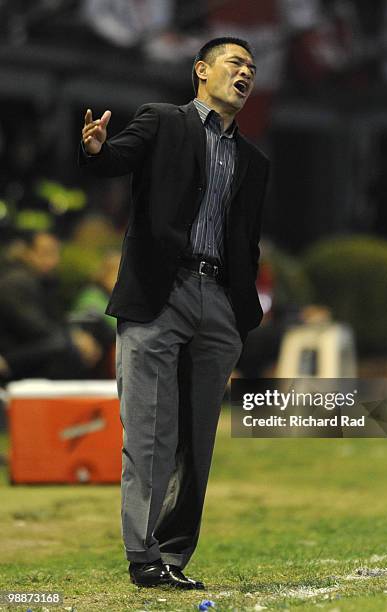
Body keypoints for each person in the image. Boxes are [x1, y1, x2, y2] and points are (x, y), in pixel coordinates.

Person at [79, 37, 270, 589]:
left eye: (252, 69)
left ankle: (175, 556)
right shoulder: (164, 121)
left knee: (197, 440)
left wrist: (242, 314)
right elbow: (115, 159)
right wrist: (95, 149)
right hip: (161, 293)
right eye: (236, 63)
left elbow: (248, 243)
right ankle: (143, 556)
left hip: (219, 304)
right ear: (201, 71)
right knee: (149, 430)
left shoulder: (253, 161)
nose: (246, 73)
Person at [0, 230, 101, 382]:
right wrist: (72, 339)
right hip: (11, 354)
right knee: (66, 347)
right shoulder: (15, 281)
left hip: (32, 346)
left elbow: (55, 319)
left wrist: (76, 335)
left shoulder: (43, 281)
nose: (52, 260)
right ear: (27, 253)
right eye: (46, 252)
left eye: (55, 253)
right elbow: (33, 327)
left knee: (87, 335)